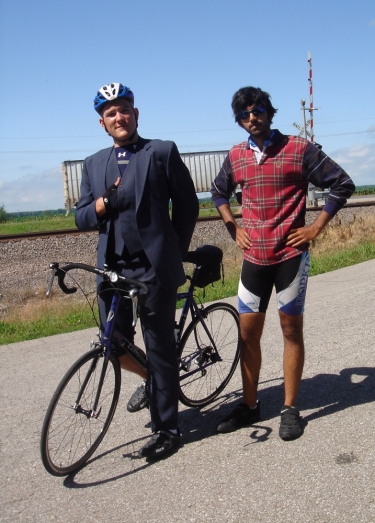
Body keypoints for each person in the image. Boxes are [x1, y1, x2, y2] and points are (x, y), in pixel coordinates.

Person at [211, 86, 355, 440]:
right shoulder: (235, 156)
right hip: (254, 257)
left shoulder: (299, 148)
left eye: (257, 110)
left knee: (290, 330)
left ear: (269, 112)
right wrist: (233, 226)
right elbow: (217, 192)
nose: (251, 118)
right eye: (244, 114)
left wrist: (316, 227)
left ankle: (290, 409)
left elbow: (342, 184)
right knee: (248, 334)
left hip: (290, 256)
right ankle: (249, 405)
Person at [75, 83, 199, 458]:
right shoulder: (94, 163)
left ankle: (168, 430)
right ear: (102, 123)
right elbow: (81, 217)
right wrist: (100, 205)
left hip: (152, 268)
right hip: (112, 268)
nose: (119, 117)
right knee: (113, 344)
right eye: (110, 113)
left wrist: (171, 250)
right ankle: (153, 383)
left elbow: (188, 205)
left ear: (136, 113)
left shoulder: (160, 152)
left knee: (160, 348)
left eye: (124, 109)